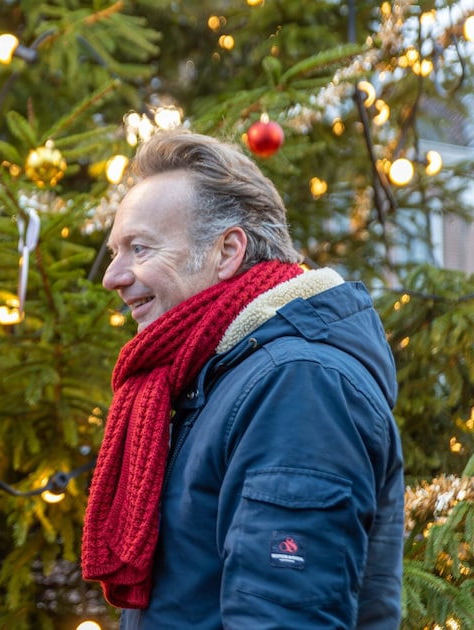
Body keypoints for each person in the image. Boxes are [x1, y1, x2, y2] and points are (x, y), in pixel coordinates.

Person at [81, 129, 404, 629]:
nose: (113, 276)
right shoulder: (217, 376)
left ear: (228, 251)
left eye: (139, 249)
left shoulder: (297, 385)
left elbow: (282, 618)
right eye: (115, 251)